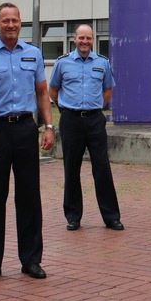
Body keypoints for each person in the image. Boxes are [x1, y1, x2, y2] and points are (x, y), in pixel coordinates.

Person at [0, 3, 56, 283]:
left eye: (14, 20)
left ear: (21, 23)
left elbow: (42, 93)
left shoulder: (33, 54)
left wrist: (49, 127)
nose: (10, 25)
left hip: (24, 130)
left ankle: (31, 260)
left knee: (29, 197)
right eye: (5, 21)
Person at [49, 23, 123, 231]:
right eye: (81, 38)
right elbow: (53, 90)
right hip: (70, 120)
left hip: (94, 120)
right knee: (71, 168)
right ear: (74, 39)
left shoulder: (102, 63)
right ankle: (73, 216)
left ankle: (111, 217)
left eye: (88, 38)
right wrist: (64, 110)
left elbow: (108, 89)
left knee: (102, 168)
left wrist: (98, 105)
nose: (85, 42)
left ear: (93, 40)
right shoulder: (62, 63)